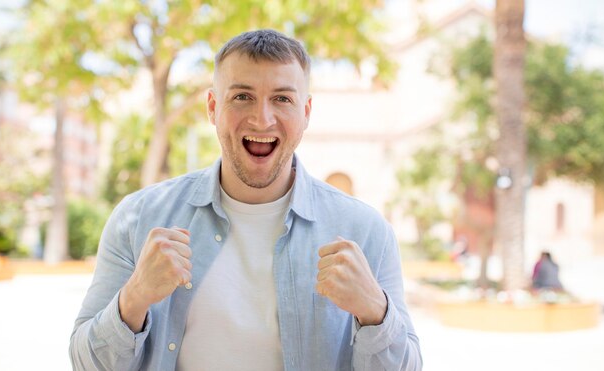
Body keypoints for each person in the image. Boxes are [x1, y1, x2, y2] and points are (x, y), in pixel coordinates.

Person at [69, 29, 422, 371]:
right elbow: (88, 364)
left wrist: (375, 311)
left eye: (282, 98)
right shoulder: (139, 217)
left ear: (306, 112)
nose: (262, 118)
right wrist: (134, 298)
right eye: (242, 96)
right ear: (212, 107)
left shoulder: (366, 231)